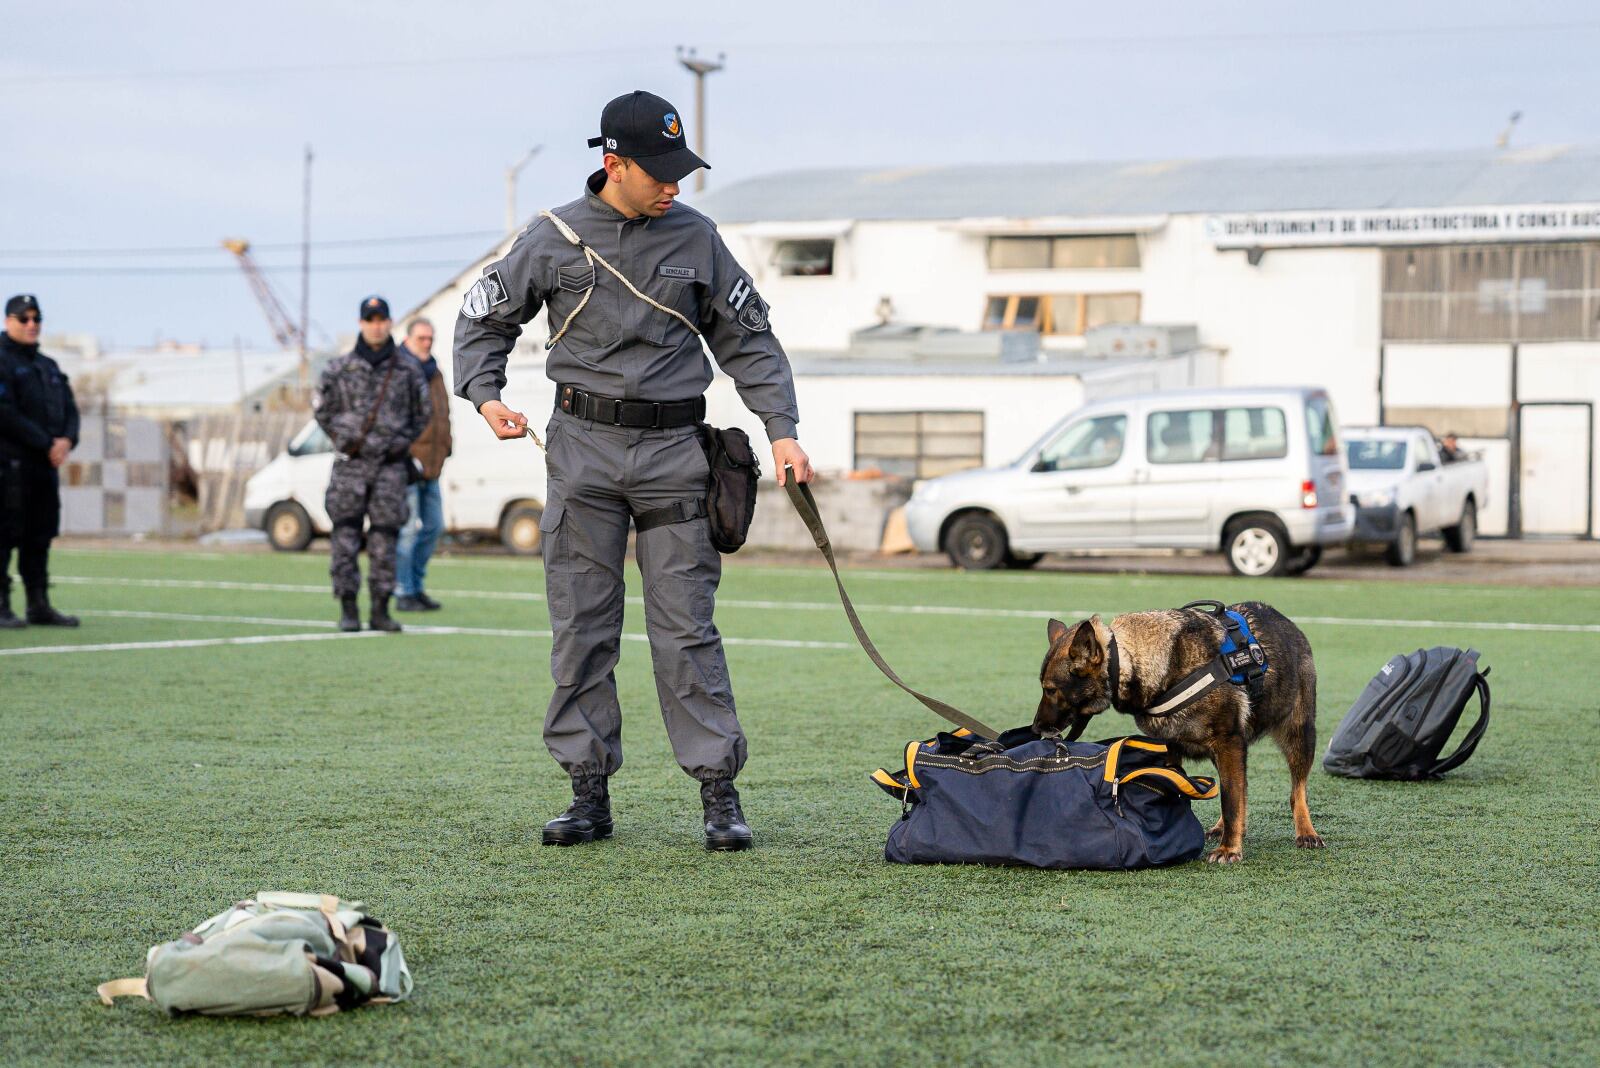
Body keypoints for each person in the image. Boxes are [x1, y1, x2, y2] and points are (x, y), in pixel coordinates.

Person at [453, 90, 815, 851]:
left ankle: (719, 793)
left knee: (687, 629)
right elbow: (485, 314)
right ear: (613, 163)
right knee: (582, 627)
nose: (674, 185)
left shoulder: (699, 237)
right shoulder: (551, 237)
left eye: (681, 170)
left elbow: (748, 339)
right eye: (659, 171)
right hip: (580, 449)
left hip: (674, 454)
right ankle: (588, 794)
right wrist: (486, 395)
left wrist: (781, 431)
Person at [313, 296, 430, 634]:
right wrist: (341, 436)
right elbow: (322, 410)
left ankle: (381, 609)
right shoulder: (339, 369)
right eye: (370, 319)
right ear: (361, 323)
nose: (376, 325)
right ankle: (348, 608)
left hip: (390, 469)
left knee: (385, 541)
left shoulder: (408, 370)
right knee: (345, 539)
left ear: (390, 323)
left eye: (381, 319)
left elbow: (422, 414)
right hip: (350, 467)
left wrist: (401, 441)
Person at [0, 294, 79, 628]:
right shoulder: (2, 361)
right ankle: (1, 605)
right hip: (9, 467)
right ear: (8, 321)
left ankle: (38, 603)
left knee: (39, 535)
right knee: (3, 536)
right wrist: (46, 442)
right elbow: (5, 413)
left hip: (43, 468)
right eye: (24, 318)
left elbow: (70, 408)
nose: (32, 324)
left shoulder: (47, 366)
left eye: (36, 318)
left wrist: (66, 440)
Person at [394, 318, 452, 612]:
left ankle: (416, 587)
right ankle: (403, 590)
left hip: (432, 465)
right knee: (405, 531)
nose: (427, 343)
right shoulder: (397, 370)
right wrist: (404, 455)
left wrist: (446, 447)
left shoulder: (435, 371)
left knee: (433, 527)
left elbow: (443, 414)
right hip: (406, 466)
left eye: (430, 338)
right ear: (408, 339)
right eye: (421, 338)